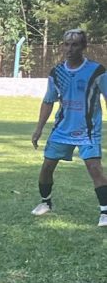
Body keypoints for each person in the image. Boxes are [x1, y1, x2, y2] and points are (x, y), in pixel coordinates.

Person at [31, 28, 107, 226]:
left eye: (75, 45)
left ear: (84, 46)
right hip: (62, 129)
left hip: (88, 130)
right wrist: (38, 129)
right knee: (47, 166)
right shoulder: (57, 72)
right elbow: (48, 101)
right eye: (66, 44)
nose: (69, 49)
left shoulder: (97, 71)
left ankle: (105, 212)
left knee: (94, 168)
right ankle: (45, 203)